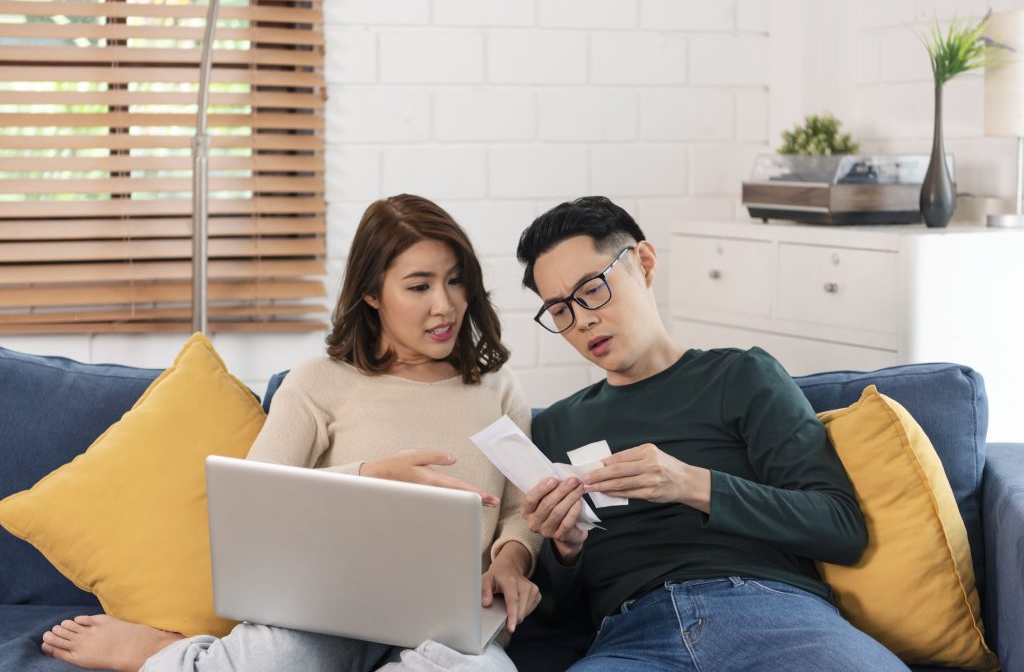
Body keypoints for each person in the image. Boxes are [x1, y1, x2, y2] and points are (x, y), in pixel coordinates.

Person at [39, 194, 542, 672]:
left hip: (449, 620)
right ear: (371, 293)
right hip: (328, 610)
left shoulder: (497, 388)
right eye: (419, 286)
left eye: (455, 281)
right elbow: (254, 498)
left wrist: (512, 561)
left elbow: (524, 507)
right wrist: (372, 475)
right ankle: (165, 652)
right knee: (276, 661)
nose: (445, 305)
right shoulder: (320, 380)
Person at [511, 196, 909, 671]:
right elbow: (555, 614)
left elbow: (841, 528)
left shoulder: (742, 376)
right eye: (559, 311)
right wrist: (566, 550)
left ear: (644, 263)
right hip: (632, 638)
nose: (582, 320)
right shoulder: (556, 425)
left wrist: (692, 485)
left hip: (770, 613)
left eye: (592, 290)